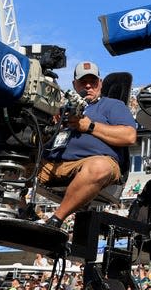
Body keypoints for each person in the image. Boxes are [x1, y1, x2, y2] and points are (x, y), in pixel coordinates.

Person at [39, 61, 138, 228]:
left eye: (93, 82)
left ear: (100, 83)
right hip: (52, 163)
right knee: (13, 151)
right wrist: (50, 123)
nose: (88, 86)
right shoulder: (61, 109)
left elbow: (129, 136)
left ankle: (56, 220)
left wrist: (90, 126)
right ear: (74, 84)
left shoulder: (112, 105)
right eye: (83, 82)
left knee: (100, 167)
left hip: (92, 164)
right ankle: (21, 210)